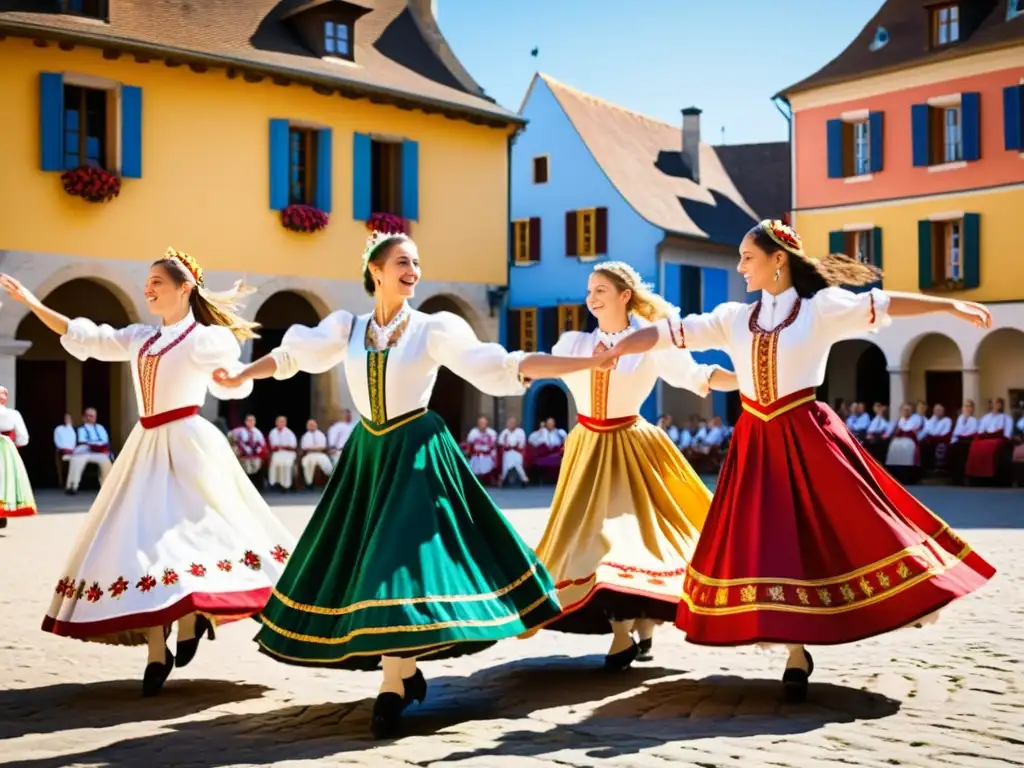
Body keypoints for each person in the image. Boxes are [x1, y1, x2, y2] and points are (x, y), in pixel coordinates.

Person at [213, 230, 612, 739]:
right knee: (368, 569)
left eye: (418, 263)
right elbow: (293, 356)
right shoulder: (346, 327)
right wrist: (242, 373)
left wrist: (586, 362)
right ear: (375, 271)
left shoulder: (433, 328)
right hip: (370, 457)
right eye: (403, 261)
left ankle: (393, 684)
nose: (413, 271)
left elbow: (498, 364)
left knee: (395, 569)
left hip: (418, 457)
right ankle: (402, 677)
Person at [600, 220, 996, 702]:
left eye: (748, 257)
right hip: (755, 443)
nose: (741, 266)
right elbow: (670, 334)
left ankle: (852, 614)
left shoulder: (820, 308)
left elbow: (885, 302)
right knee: (768, 544)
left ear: (778, 261)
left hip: (806, 435)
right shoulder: (733, 317)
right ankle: (794, 648)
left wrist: (949, 306)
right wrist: (620, 346)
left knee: (835, 529)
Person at [0, 249, 295, 697]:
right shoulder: (141, 337)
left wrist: (234, 378)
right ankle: (158, 648)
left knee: (193, 537)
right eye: (147, 281)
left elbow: (231, 375)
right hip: (146, 447)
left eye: (158, 281)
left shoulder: (204, 339)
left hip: (191, 446)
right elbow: (89, 336)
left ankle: (191, 617)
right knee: (141, 542)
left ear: (184, 288)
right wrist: (33, 303)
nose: (148, 288)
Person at [521, 262, 737, 669]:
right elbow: (539, 366)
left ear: (625, 296)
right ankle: (625, 630)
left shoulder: (651, 344)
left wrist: (750, 380)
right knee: (595, 541)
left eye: (601, 289)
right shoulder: (572, 343)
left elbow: (698, 376)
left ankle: (642, 625)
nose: (591, 297)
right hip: (587, 450)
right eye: (589, 290)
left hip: (633, 449)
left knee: (633, 540)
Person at [0, 385, 35, 528]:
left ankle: (2, 515)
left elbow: (23, 437)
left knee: (4, 481)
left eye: (3, 394)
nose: (2, 397)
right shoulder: (12, 414)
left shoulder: (13, 414)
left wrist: (13, 446)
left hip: (6, 450)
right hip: (7, 448)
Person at [65, 407, 114, 494]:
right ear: (83, 417)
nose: (89, 418)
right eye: (87, 416)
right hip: (83, 452)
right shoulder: (79, 429)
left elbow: (104, 441)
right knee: (76, 461)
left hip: (98, 453)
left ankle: (107, 488)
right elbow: (81, 441)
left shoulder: (100, 428)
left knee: (106, 462)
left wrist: (95, 445)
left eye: (91, 416)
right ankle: (72, 486)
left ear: (95, 417)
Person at [228, 414, 268, 480]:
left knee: (255, 465)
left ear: (254, 422)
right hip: (242, 453)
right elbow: (230, 435)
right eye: (249, 420)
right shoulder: (239, 431)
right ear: (245, 422)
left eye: (252, 420)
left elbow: (262, 445)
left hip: (254, 454)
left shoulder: (258, 433)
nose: (250, 422)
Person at [267, 416, 298, 491]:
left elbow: (293, 446)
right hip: (277, 453)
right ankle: (276, 483)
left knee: (286, 464)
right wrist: (281, 447)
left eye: (282, 422)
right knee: (276, 462)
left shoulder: (289, 432)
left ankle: (286, 485)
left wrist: (283, 447)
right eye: (279, 421)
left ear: (285, 423)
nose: (281, 423)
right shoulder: (272, 432)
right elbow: (272, 445)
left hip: (288, 453)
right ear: (276, 423)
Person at [299, 418, 332, 488]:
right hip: (309, 455)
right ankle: (309, 482)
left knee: (326, 462)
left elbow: (323, 447)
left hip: (320, 454)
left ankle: (328, 482)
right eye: (310, 425)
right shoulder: (305, 436)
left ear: (316, 425)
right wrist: (315, 448)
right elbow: (304, 447)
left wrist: (313, 448)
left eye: (313, 425)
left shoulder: (321, 434)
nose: (311, 426)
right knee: (306, 463)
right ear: (307, 426)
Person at [465, 415, 498, 484]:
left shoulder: (492, 433)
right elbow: (469, 443)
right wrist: (468, 452)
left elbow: (493, 445)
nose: (482, 424)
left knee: (490, 466)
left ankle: (490, 480)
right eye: (480, 422)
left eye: (483, 423)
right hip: (476, 455)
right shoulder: (473, 432)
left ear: (487, 423)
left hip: (487, 455)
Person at [497, 416, 528, 486]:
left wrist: (514, 446)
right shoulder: (505, 432)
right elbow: (500, 441)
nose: (511, 424)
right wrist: (506, 445)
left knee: (518, 465)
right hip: (507, 452)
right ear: (507, 424)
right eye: (510, 423)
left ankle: (524, 479)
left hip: (517, 452)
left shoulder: (520, 431)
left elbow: (522, 442)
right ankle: (502, 480)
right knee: (505, 466)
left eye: (513, 423)